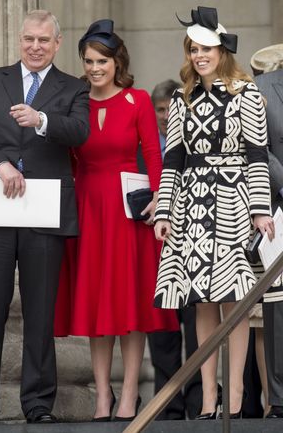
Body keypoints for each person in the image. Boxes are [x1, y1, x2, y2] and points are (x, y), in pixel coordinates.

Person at [0, 10, 90, 425]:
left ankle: (38, 404)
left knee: (39, 310)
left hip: (44, 209)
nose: (35, 46)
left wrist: (42, 121)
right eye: (29, 39)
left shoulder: (72, 87)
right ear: (20, 41)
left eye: (44, 40)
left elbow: (79, 132)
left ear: (57, 43)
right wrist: (1, 166)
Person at [54, 19, 178, 422]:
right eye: (88, 60)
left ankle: (128, 395)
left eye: (102, 61)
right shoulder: (76, 101)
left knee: (129, 303)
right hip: (88, 207)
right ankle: (102, 395)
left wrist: (161, 198)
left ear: (116, 61)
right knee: (96, 305)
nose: (94, 68)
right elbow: (68, 156)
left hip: (128, 212)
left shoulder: (138, 100)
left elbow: (154, 155)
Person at [153, 6, 274, 420]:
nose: (199, 56)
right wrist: (164, 211)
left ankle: (236, 397)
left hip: (234, 202)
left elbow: (258, 155)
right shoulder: (181, 98)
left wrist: (260, 210)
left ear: (222, 51)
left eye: (206, 49)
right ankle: (209, 398)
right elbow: (172, 161)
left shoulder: (246, 92)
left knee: (234, 301)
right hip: (190, 203)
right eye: (193, 49)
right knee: (201, 301)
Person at [139, 79, 202, 420]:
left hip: (192, 245)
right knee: (161, 330)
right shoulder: (141, 149)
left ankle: (199, 399)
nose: (164, 116)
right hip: (154, 246)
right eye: (159, 110)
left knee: (195, 327)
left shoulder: (196, 142)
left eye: (169, 109)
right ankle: (167, 405)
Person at [250, 43, 283, 419]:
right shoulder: (262, 92)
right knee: (271, 311)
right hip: (274, 211)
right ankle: (276, 399)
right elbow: (260, 149)